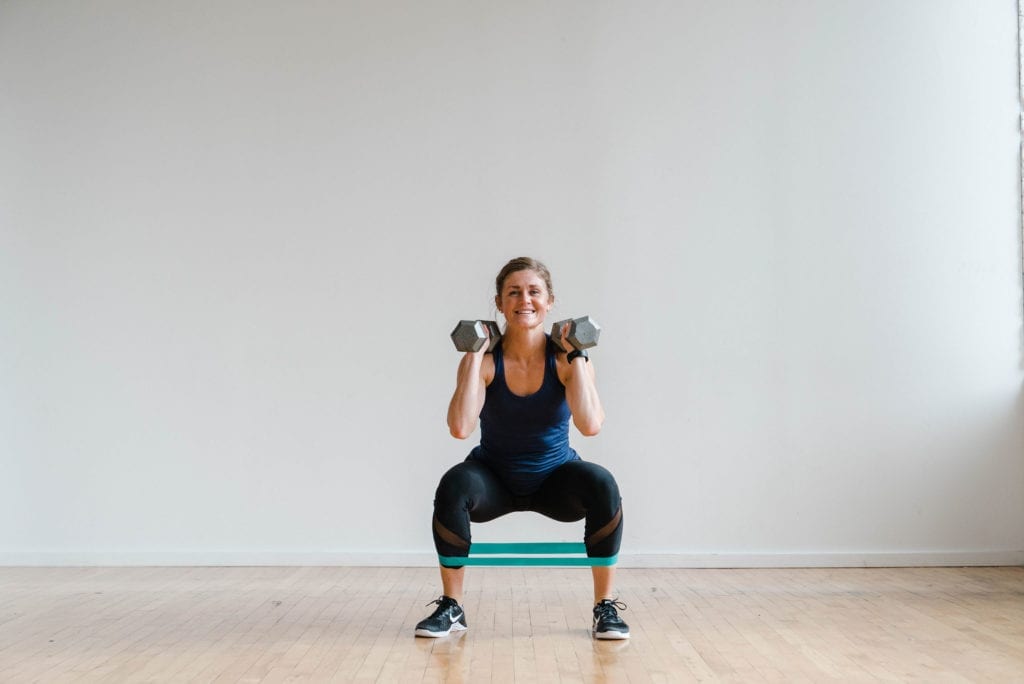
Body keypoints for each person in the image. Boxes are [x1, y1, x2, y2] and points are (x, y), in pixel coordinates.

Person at [414, 257, 629, 640]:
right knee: (454, 484)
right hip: (493, 480)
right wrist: (474, 357)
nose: (524, 300)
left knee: (602, 484)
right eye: (513, 292)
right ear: (499, 303)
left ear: (549, 302)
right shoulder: (485, 361)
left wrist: (577, 355)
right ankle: (452, 607)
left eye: (534, 291)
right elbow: (460, 428)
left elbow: (590, 425)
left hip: (554, 481)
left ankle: (605, 607)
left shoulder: (567, 361)